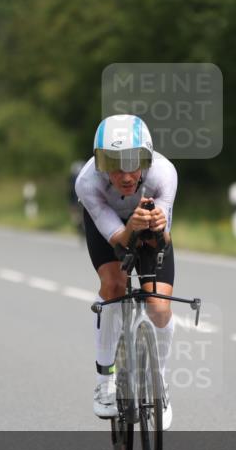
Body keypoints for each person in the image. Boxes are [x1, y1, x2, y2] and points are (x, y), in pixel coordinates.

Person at [74, 114, 177, 429]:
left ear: (146, 157)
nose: (125, 175)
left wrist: (157, 226)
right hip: (109, 231)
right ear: (99, 162)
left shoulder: (163, 173)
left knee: (158, 307)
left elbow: (165, 239)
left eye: (133, 162)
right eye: (113, 164)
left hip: (147, 226)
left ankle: (159, 386)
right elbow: (118, 240)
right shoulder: (87, 182)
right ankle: (105, 380)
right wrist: (129, 228)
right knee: (114, 286)